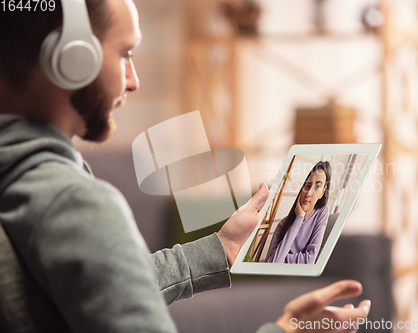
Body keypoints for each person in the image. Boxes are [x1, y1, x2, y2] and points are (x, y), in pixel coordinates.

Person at [0, 1, 371, 332]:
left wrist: (220, 248)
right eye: (125, 53)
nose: (133, 80)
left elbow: (100, 284)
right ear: (70, 58)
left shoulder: (21, 187)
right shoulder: (75, 203)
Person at [266, 161, 331, 264]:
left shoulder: (322, 212)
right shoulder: (282, 225)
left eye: (317, 186)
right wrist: (299, 218)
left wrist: (282, 258)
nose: (309, 193)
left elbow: (309, 261)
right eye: (307, 186)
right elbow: (270, 263)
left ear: (322, 192)